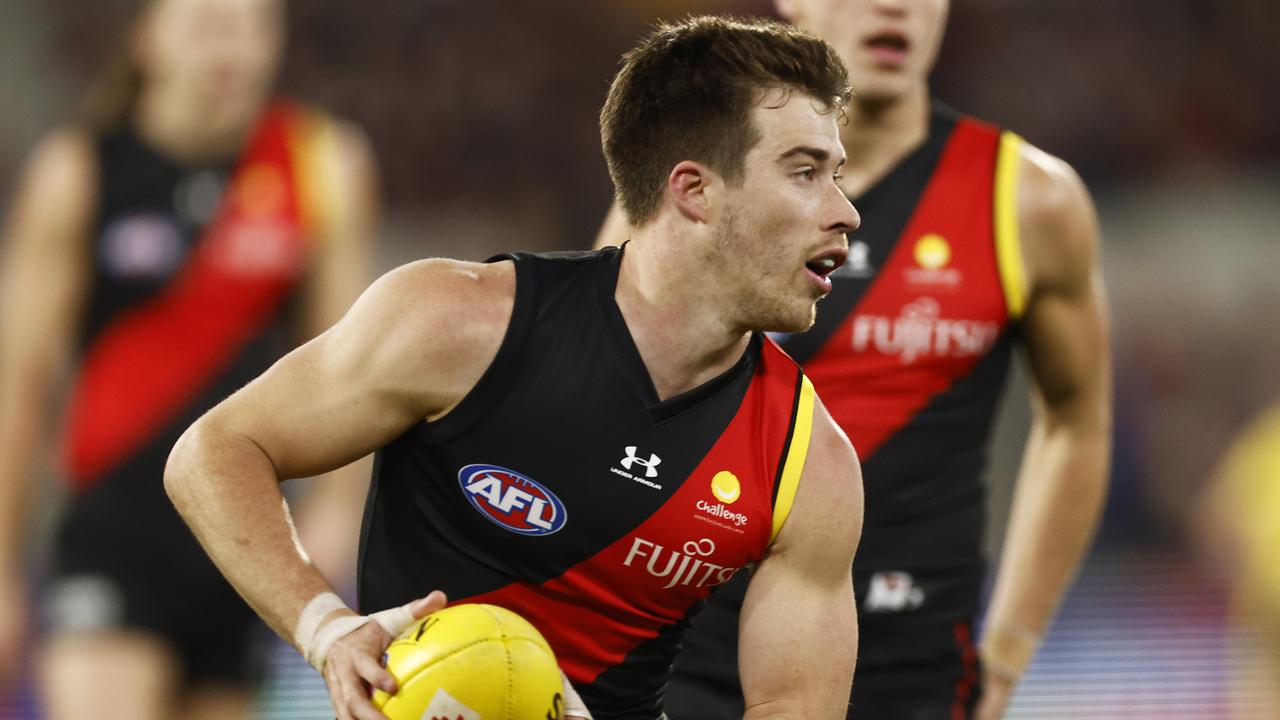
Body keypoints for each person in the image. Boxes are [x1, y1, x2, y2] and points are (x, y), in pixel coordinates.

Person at [164, 15, 865, 720]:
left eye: (835, 174)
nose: (846, 212)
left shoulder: (809, 465)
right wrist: (326, 629)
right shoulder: (463, 323)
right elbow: (213, 452)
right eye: (804, 172)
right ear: (694, 190)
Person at [596, 1, 1112, 718]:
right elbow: (601, 400)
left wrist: (1011, 644)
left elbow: (1076, 423)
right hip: (695, 650)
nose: (895, 6)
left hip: (917, 656)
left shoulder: (1028, 201)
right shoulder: (694, 192)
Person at [0, 0, 377, 718]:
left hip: (243, 534)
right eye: (206, 27)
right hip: (112, 529)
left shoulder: (321, 163)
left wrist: (338, 506)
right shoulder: (77, 173)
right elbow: (18, 385)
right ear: (147, 40)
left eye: (249, 29)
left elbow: (346, 358)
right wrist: (2, 569)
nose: (229, 52)